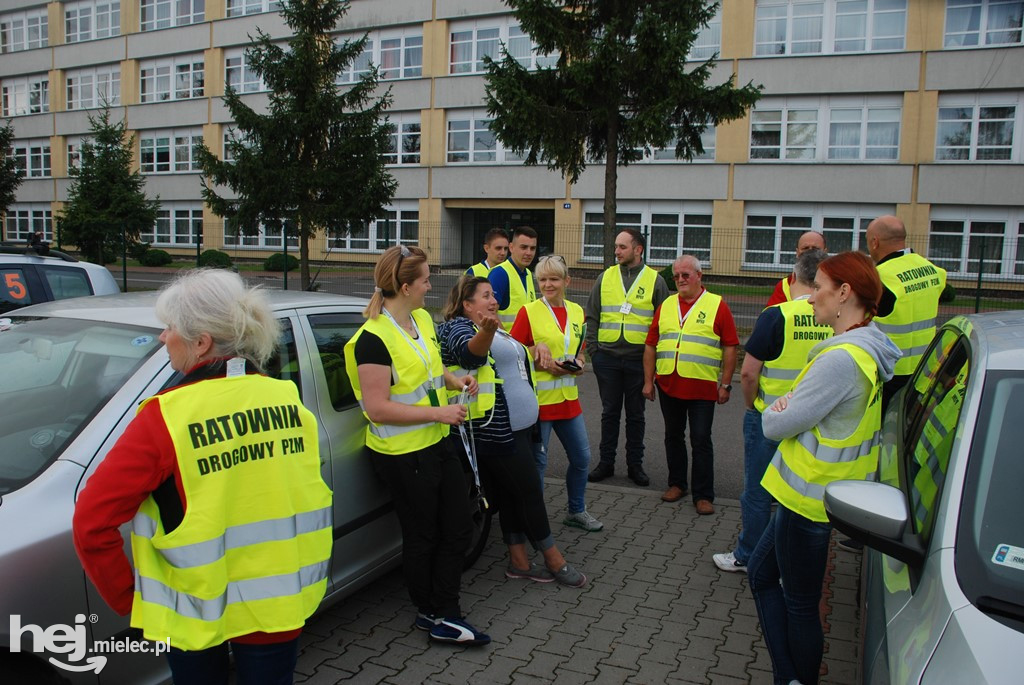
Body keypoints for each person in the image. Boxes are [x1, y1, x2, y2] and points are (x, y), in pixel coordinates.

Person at [73, 268, 333, 685]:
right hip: (276, 601)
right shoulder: (287, 399)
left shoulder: (166, 418)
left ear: (201, 342)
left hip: (192, 607)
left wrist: (129, 599)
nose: (162, 338)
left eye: (169, 328)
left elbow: (91, 521)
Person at [747, 251, 900, 685]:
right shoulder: (869, 344)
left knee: (797, 603)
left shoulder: (839, 360)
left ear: (844, 293)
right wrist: (790, 407)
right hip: (809, 499)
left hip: (808, 503)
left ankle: (794, 679)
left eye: (819, 288)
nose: (811, 297)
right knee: (761, 577)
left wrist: (781, 409)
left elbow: (775, 423)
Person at [342, 245, 490, 646]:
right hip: (402, 455)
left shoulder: (421, 318)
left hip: (436, 442)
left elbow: (429, 369)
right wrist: (439, 414)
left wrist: (455, 381)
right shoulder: (370, 339)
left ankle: (442, 608)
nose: (431, 285)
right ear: (405, 286)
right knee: (423, 535)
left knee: (457, 528)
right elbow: (377, 408)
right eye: (425, 279)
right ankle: (436, 614)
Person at [439, 275, 587, 587]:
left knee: (510, 495)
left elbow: (513, 360)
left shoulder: (496, 326)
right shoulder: (458, 327)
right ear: (467, 304)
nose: (493, 301)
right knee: (529, 492)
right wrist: (488, 331)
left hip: (516, 428)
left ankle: (519, 561)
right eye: (485, 296)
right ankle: (553, 558)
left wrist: (535, 347)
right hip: (493, 432)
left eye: (493, 295)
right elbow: (468, 355)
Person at [712, 249, 832, 573]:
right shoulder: (837, 318)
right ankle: (791, 563)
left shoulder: (777, 315)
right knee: (800, 495)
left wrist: (752, 407)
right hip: (816, 422)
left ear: (793, 278)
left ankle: (749, 555)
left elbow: (749, 373)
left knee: (757, 492)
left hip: (770, 419)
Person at [510, 255, 604, 532]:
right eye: (542, 279)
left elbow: (579, 350)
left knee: (582, 458)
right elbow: (514, 354)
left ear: (566, 281)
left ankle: (576, 511)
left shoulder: (576, 311)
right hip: (539, 403)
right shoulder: (529, 311)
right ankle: (536, 520)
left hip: (568, 400)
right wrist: (537, 355)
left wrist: (579, 365)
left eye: (553, 279)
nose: (548, 284)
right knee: (538, 463)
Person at [642, 255, 738, 515]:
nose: (681, 280)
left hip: (702, 387)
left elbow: (730, 346)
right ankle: (677, 484)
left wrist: (726, 384)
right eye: (676, 276)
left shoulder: (717, 304)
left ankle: (704, 495)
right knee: (672, 436)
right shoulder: (666, 305)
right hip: (669, 384)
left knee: (700, 439)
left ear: (699, 276)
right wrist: (648, 381)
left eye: (686, 275)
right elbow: (651, 344)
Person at [584, 228, 670, 487]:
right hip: (607, 358)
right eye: (616, 246)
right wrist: (594, 351)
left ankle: (635, 465)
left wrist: (653, 365)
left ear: (638, 249)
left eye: (622, 247)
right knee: (609, 412)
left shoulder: (655, 280)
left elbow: (663, 322)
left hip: (637, 360)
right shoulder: (605, 277)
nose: (616, 251)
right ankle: (606, 463)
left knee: (636, 415)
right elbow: (592, 314)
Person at [865, 214, 947, 410]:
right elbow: (948, 293)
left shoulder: (879, 277)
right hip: (926, 366)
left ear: (875, 242)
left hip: (889, 369)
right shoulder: (931, 268)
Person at [489, 225, 538, 331]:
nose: (528, 253)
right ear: (511, 247)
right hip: (506, 345)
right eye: (523, 247)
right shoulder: (500, 273)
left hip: (523, 345)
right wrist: (508, 342)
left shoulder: (528, 274)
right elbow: (490, 314)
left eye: (532, 248)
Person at [765, 231, 827, 307]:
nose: (810, 252)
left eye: (815, 248)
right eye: (805, 248)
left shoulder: (836, 282)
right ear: (797, 253)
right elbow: (771, 315)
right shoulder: (785, 285)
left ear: (825, 251)